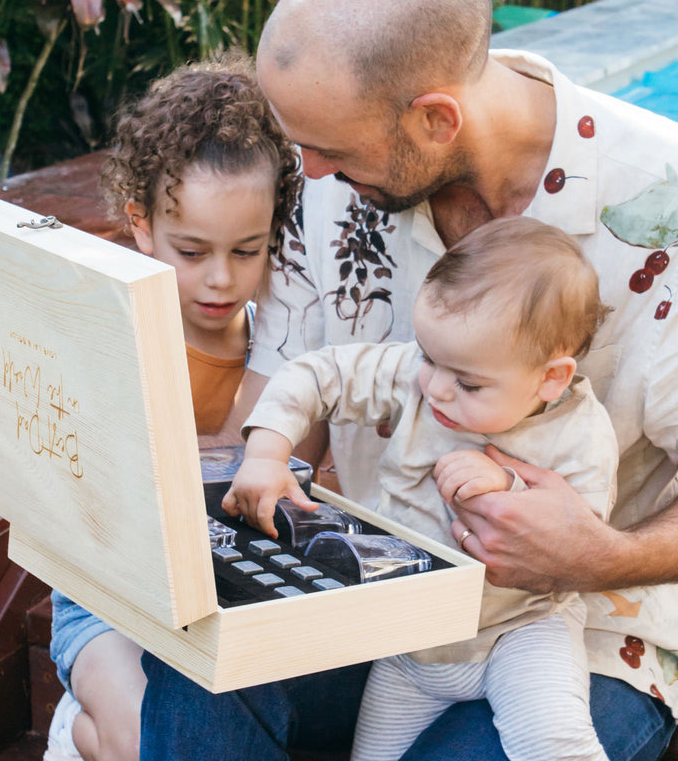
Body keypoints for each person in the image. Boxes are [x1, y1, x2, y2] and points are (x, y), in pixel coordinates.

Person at [0, 0, 678, 758]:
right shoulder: (332, 183)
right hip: (372, 597)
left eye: (327, 149)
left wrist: (603, 554)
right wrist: (14, 398)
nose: (309, 176)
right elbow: (259, 432)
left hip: (579, 633)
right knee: (198, 673)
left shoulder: (675, 211)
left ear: (435, 120)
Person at [0, 52, 300, 761]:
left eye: (247, 251)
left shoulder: (276, 344)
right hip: (102, 599)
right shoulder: (105, 337)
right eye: (192, 252)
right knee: (141, 739)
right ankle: (81, 729)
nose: (221, 279)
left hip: (220, 589)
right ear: (141, 223)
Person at [226, 216, 616, 761]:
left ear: (551, 377)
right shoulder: (420, 375)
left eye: (468, 383)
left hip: (520, 631)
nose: (435, 387)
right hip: (410, 641)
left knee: (552, 740)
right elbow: (316, 375)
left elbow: (583, 544)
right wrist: (267, 454)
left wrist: (508, 486)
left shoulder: (581, 434)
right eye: (429, 357)